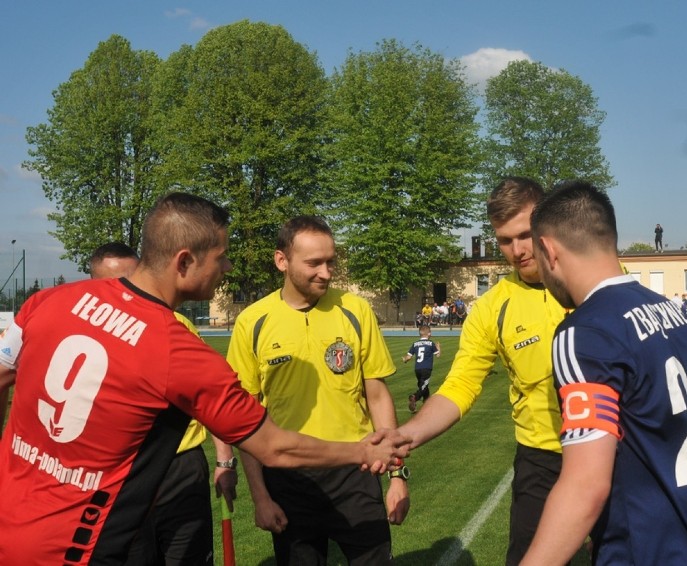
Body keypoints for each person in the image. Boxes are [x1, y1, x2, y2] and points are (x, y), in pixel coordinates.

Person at [0, 193, 408, 565]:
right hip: (81, 549)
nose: (228, 267)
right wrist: (365, 452)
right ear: (184, 262)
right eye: (221, 257)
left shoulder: (48, 301)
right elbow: (274, 448)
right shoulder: (180, 352)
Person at [521, 180, 687, 565]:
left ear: (549, 250)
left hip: (647, 552)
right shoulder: (675, 314)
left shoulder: (585, 332)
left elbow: (585, 486)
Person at [398, 177, 570, 565]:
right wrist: (408, 434)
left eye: (525, 234)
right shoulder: (492, 308)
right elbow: (460, 385)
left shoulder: (594, 279)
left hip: (616, 448)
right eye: (505, 240)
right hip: (540, 458)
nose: (518, 250)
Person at [226, 215, 409, 565]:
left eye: (330, 262)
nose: (325, 272)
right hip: (290, 477)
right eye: (314, 263)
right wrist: (261, 497)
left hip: (357, 468)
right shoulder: (253, 321)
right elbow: (246, 420)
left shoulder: (355, 310)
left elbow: (378, 395)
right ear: (282, 260)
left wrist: (397, 476)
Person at [89, 241, 238, 566]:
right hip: (116, 475)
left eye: (133, 279)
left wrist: (225, 462)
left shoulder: (177, 328)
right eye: (113, 284)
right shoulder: (82, 335)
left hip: (180, 468)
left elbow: (212, 398)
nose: (127, 291)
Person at [402, 325, 441, 413]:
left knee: (423, 386)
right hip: (426, 369)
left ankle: (427, 404)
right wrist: (438, 347)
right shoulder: (431, 343)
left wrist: (404, 359)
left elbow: (408, 357)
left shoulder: (415, 344)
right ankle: (414, 397)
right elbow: (438, 355)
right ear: (429, 333)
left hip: (417, 369)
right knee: (423, 387)